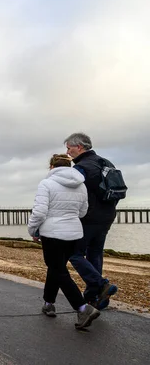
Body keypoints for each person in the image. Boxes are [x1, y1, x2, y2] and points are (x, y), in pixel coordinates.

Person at [28, 154, 100, 330]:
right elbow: (82, 212)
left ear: (52, 167)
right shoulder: (80, 184)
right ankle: (48, 303)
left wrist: (32, 229)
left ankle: (82, 308)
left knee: (58, 270)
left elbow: (39, 212)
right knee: (57, 268)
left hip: (52, 234)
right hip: (74, 234)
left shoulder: (47, 183)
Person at [65, 133, 119, 310]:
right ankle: (94, 297)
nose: (68, 152)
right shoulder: (106, 163)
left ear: (79, 147)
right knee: (95, 253)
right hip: (107, 217)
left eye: (69, 148)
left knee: (74, 253)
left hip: (88, 217)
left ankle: (101, 284)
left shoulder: (81, 167)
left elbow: (74, 195)